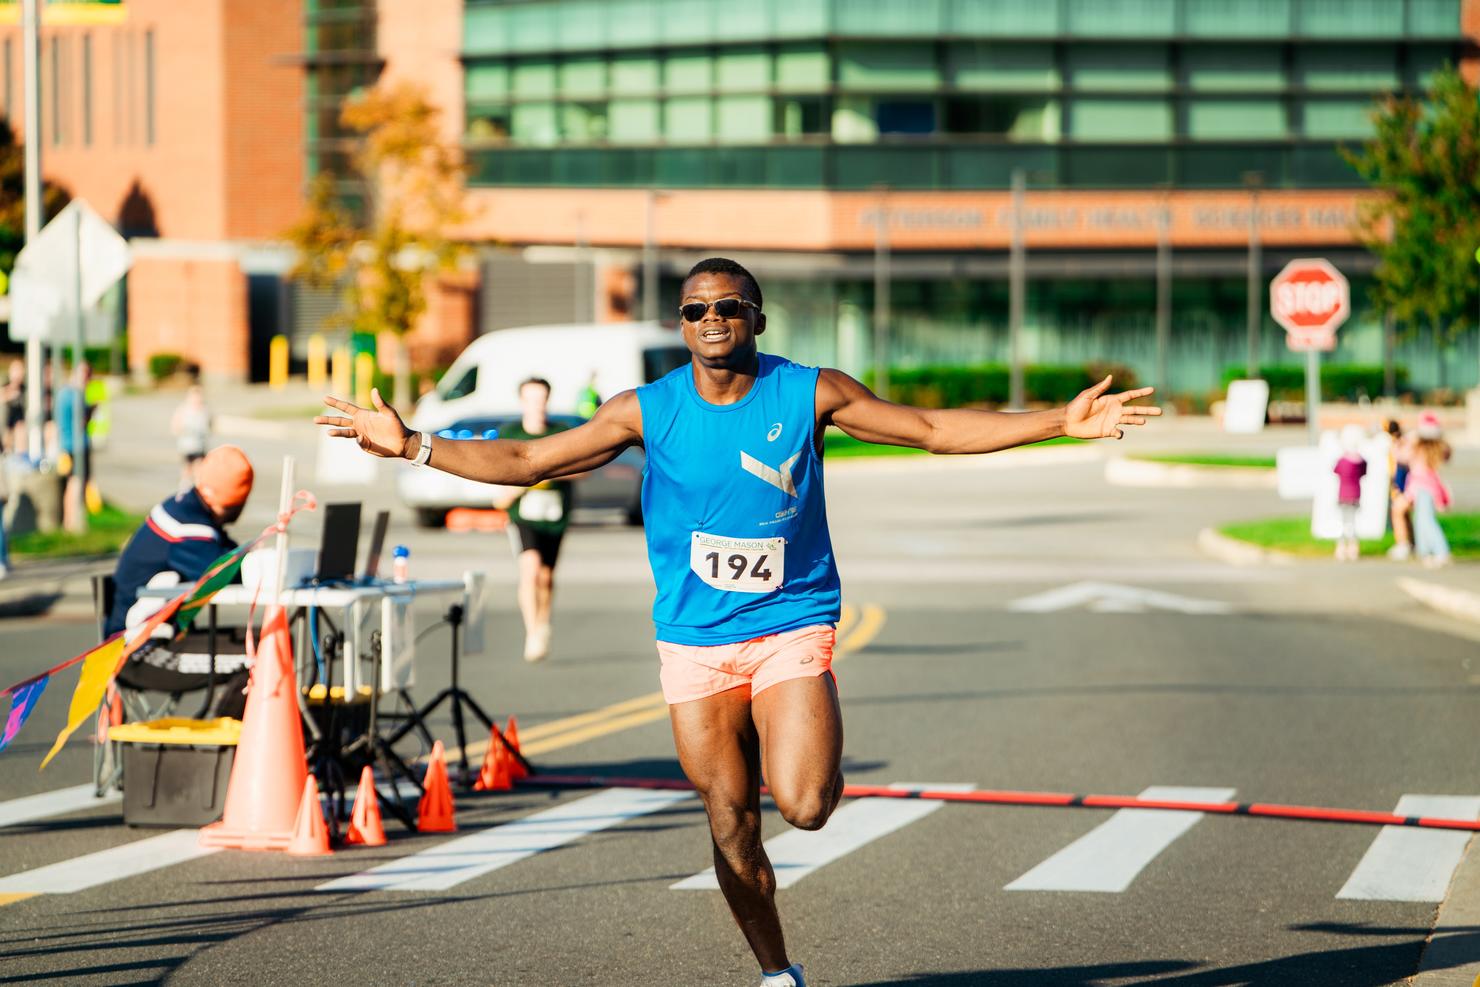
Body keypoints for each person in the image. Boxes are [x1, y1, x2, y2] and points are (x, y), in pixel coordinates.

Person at [316, 257, 1160, 987]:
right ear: (681, 324)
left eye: (728, 307)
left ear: (756, 318)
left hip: (790, 623)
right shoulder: (649, 408)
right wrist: (414, 445)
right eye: (695, 309)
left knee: (804, 803)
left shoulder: (809, 391)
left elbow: (934, 428)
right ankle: (776, 969)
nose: (712, 319)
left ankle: (794, 725)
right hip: (694, 641)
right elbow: (530, 460)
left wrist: (1059, 420)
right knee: (730, 820)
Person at [106, 445, 255, 714]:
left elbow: (230, 557)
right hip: (141, 652)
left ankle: (237, 739)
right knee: (260, 655)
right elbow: (224, 571)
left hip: (150, 640)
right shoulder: (187, 528)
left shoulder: (185, 508)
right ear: (234, 503)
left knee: (266, 641)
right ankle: (232, 744)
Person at [492, 377, 574, 663]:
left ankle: (543, 621)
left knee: (547, 576)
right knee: (530, 569)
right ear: (522, 402)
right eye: (531, 399)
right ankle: (532, 631)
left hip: (554, 515)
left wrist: (543, 471)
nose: (537, 405)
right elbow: (499, 472)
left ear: (548, 401)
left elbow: (582, 468)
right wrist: (516, 486)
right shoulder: (510, 432)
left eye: (541, 399)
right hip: (522, 515)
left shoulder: (560, 432)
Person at [1407, 411, 1452, 568]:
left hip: (1423, 487)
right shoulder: (1436, 447)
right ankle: (1425, 551)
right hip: (1424, 487)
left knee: (1425, 520)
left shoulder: (1419, 447)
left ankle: (1440, 551)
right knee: (1420, 519)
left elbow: (1405, 456)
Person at [1332, 425, 1366, 562]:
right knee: (1352, 523)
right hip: (1356, 495)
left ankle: (1341, 547)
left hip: (1343, 495)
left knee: (1342, 522)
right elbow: (1364, 472)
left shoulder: (1343, 461)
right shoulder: (1361, 461)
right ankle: (1353, 548)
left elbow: (1336, 471)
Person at [171, 384, 214, 490]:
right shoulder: (184, 409)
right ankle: (185, 487)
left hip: (200, 445)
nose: (197, 399)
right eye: (194, 397)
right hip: (187, 445)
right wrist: (180, 430)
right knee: (187, 467)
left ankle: (197, 486)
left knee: (199, 467)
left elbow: (210, 423)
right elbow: (175, 425)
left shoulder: (204, 410)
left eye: (199, 397)